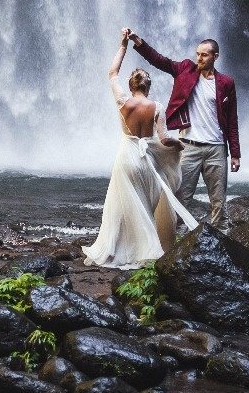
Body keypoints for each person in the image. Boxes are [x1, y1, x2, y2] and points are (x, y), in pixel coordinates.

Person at [82, 29, 199, 269]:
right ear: (148, 86)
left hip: (126, 157)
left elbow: (111, 72)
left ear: (130, 84)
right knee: (145, 207)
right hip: (147, 162)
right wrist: (179, 144)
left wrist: (123, 45)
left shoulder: (123, 101)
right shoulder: (156, 106)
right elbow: (165, 139)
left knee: (121, 206)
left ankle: (117, 249)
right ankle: (147, 250)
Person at [127, 31, 240, 225]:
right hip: (188, 146)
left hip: (217, 149)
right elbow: (160, 61)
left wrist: (236, 154)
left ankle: (219, 244)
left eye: (204, 55)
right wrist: (138, 42)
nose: (199, 58)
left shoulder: (226, 83)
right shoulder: (185, 70)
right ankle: (177, 248)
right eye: (198, 54)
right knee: (181, 199)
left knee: (218, 202)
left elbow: (232, 120)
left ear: (215, 57)